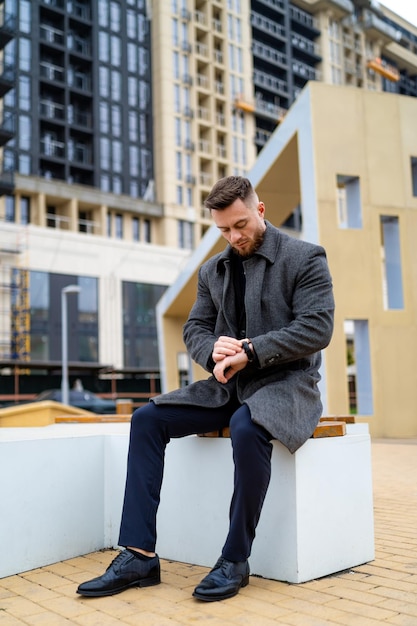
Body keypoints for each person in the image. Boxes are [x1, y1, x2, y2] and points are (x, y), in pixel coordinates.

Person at [77, 176, 335, 602]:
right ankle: (139, 554)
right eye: (223, 230)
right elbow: (195, 327)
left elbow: (317, 327)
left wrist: (252, 351)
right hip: (226, 387)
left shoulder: (305, 258)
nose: (234, 237)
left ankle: (235, 559)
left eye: (240, 225)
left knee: (248, 426)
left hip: (287, 385)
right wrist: (212, 348)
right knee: (147, 419)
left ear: (260, 210)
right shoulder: (211, 271)